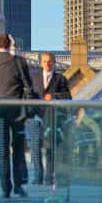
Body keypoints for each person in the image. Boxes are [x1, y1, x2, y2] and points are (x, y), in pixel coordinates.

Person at [0, 33, 36, 198]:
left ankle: (6, 188)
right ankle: (18, 185)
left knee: (2, 150)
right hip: (17, 111)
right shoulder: (19, 62)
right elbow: (28, 85)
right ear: (10, 44)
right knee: (18, 149)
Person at [29, 52, 71, 187]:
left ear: (54, 63)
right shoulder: (34, 77)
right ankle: (37, 177)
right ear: (40, 63)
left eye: (50, 61)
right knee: (35, 148)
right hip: (36, 117)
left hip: (51, 118)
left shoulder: (61, 79)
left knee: (49, 149)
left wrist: (53, 96)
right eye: (44, 61)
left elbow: (68, 97)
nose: (47, 64)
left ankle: (49, 178)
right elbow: (28, 95)